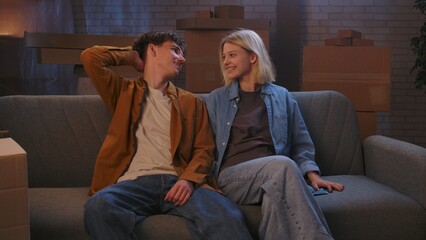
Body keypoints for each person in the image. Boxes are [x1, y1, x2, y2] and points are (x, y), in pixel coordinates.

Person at [80, 31, 252, 240]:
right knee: (98, 206)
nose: (182, 58)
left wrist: (188, 180)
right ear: (152, 49)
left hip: (180, 182)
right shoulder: (123, 91)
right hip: (135, 183)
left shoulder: (191, 102)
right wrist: (134, 56)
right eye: (175, 50)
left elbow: (204, 150)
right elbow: (91, 57)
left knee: (228, 216)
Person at [204, 29, 345, 240]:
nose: (225, 61)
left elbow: (300, 142)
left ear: (252, 57)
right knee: (283, 165)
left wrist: (312, 175)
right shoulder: (216, 99)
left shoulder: (282, 96)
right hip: (233, 178)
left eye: (232, 55)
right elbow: (203, 146)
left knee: (275, 201)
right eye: (224, 56)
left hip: (274, 177)